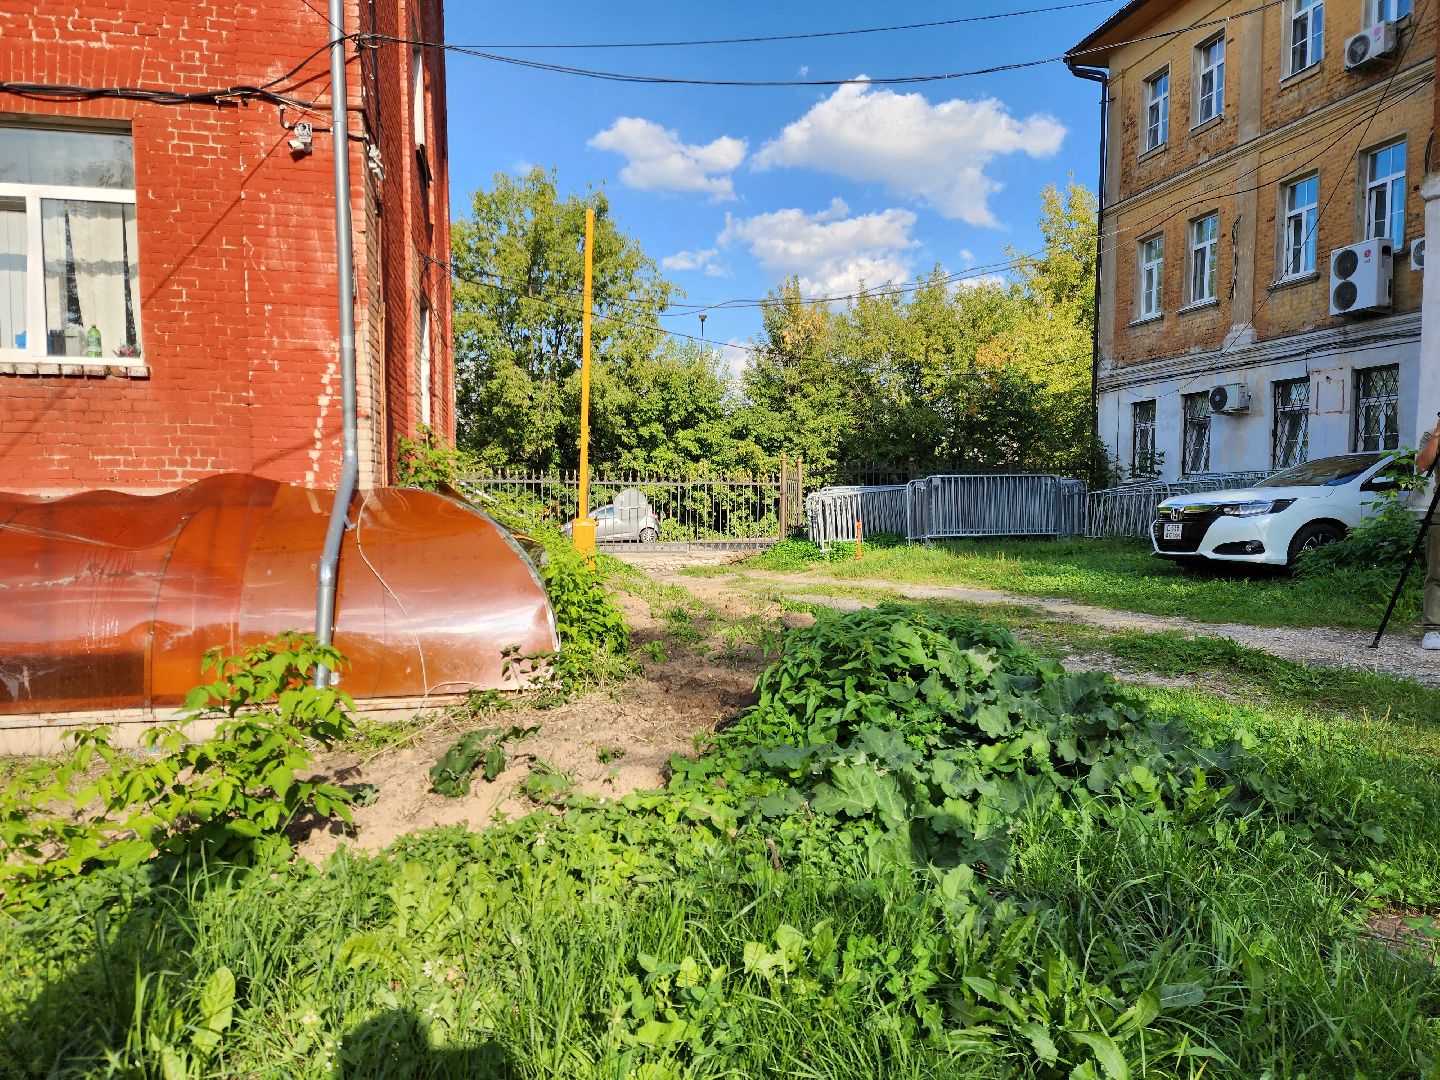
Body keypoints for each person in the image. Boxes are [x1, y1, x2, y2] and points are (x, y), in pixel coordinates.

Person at [1418, 417, 1440, 649]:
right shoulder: (1432, 435)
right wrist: (1437, 436)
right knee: (1437, 572)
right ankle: (1433, 629)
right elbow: (1423, 464)